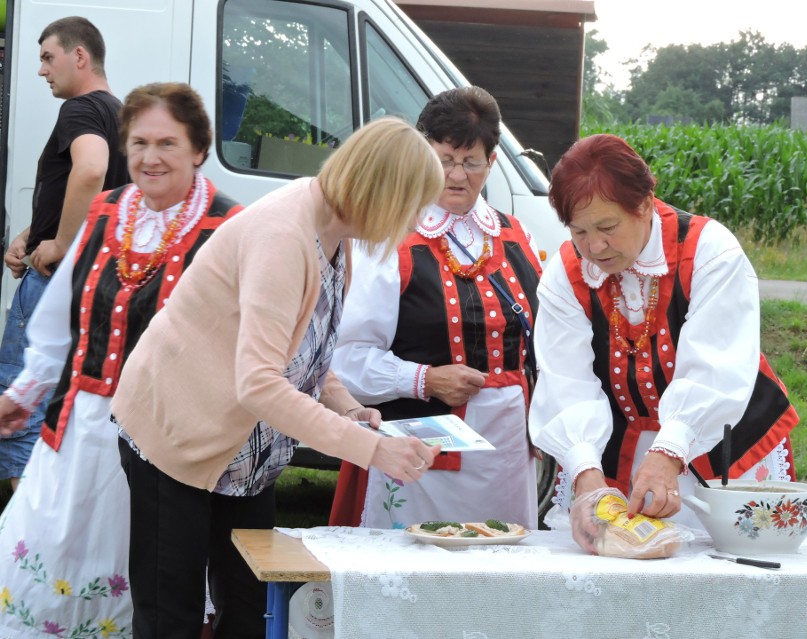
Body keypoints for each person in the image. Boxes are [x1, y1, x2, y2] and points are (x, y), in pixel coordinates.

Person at [109, 115, 444, 639]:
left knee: (249, 610)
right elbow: (260, 383)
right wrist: (370, 449)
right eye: (413, 205)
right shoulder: (284, 235)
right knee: (170, 616)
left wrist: (345, 403)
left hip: (244, 451)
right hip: (176, 433)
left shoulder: (336, 233)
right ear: (383, 193)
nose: (414, 221)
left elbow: (303, 344)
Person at [0, 82, 241, 638]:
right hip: (77, 429)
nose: (149, 158)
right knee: (48, 559)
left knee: (143, 570)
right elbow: (61, 316)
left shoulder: (227, 228)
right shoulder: (107, 210)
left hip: (156, 438)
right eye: (137, 143)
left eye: (167, 144)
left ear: (199, 149)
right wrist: (25, 393)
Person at [528, 133, 799, 551]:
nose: (594, 247)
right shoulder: (567, 273)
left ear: (644, 205)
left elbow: (716, 368)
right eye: (579, 231)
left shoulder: (709, 251)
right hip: (621, 456)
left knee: (731, 581)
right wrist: (585, 473)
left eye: (607, 227)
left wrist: (670, 451)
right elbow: (565, 382)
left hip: (727, 451)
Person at [329, 86, 542, 531]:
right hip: (418, 456)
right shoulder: (390, 238)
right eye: (444, 159)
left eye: (471, 162)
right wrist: (425, 378)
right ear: (422, 155)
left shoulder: (517, 237)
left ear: (493, 162)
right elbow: (346, 361)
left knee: (497, 569)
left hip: (505, 459)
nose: (457, 175)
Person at [0, 16, 129, 491]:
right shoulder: (119, 113)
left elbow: (91, 171)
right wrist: (34, 235)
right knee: (61, 400)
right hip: (97, 282)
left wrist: (60, 245)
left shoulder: (79, 109)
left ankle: (20, 531)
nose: (41, 70)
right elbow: (94, 193)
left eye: (47, 57)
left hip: (55, 281)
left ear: (80, 57)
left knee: (19, 399)